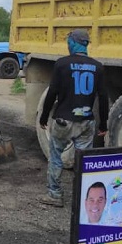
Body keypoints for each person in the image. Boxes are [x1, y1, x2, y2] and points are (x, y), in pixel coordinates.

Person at [39, 29, 108, 207]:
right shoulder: (98, 67)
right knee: (83, 161)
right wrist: (104, 125)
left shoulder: (61, 64)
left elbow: (52, 93)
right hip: (86, 122)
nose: (67, 44)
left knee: (55, 157)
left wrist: (44, 116)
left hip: (63, 121)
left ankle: (54, 195)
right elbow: (103, 97)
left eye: (68, 41)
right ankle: (83, 199)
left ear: (74, 43)